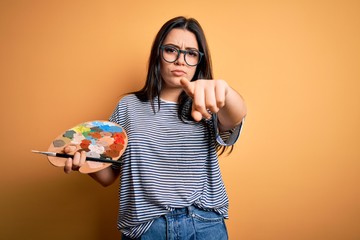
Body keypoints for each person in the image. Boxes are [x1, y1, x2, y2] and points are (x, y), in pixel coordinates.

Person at [63, 16, 247, 240]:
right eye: (171, 50)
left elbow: (236, 116)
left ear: (200, 61)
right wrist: (83, 161)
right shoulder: (128, 107)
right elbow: (108, 176)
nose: (181, 60)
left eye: (191, 53)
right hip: (147, 228)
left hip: (203, 224)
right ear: (158, 55)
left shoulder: (209, 102)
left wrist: (225, 91)